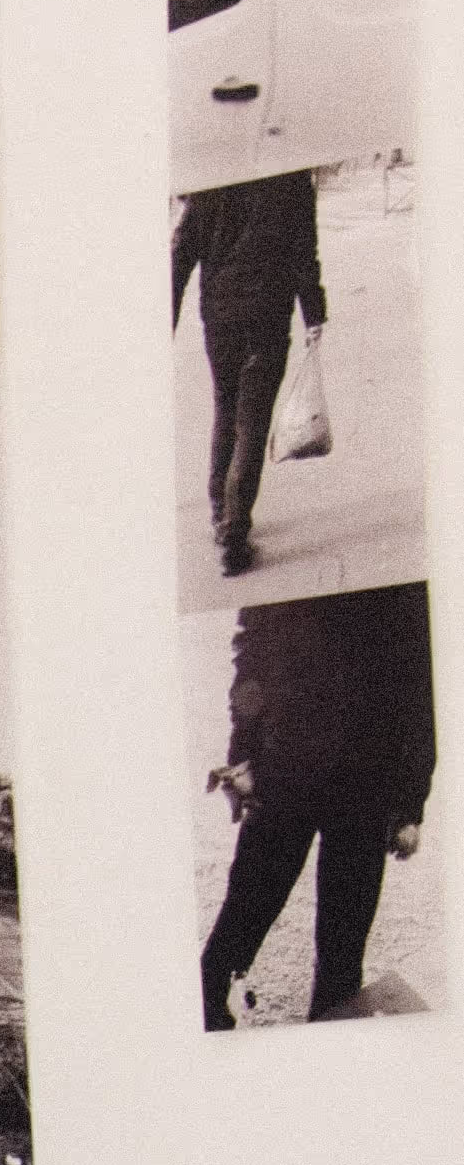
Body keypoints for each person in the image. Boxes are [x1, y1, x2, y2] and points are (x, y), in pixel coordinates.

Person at [200, 582, 436, 1026]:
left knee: (342, 953)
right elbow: (251, 663)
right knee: (245, 910)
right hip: (283, 767)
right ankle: (208, 1011)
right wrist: (242, 756)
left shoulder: (405, 587)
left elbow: (422, 689)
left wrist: (409, 803)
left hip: (366, 782)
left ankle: (331, 1055)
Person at [170, 168, 325, 579]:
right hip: (268, 315)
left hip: (219, 317)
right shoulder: (291, 177)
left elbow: (181, 252)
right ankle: (235, 536)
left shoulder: (210, 176)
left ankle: (221, 514)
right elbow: (303, 253)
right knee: (252, 423)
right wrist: (314, 314)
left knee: (226, 410)